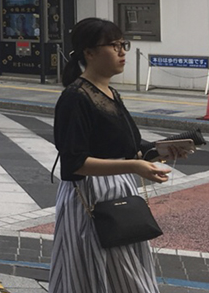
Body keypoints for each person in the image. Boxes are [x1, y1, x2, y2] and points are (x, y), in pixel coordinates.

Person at [49, 17, 182, 293]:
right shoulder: (75, 98)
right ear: (90, 52)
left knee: (123, 275)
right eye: (113, 45)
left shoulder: (110, 92)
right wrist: (135, 166)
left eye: (124, 44)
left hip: (118, 194)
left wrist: (165, 150)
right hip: (90, 199)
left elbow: (129, 146)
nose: (122, 51)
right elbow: (74, 163)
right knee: (97, 275)